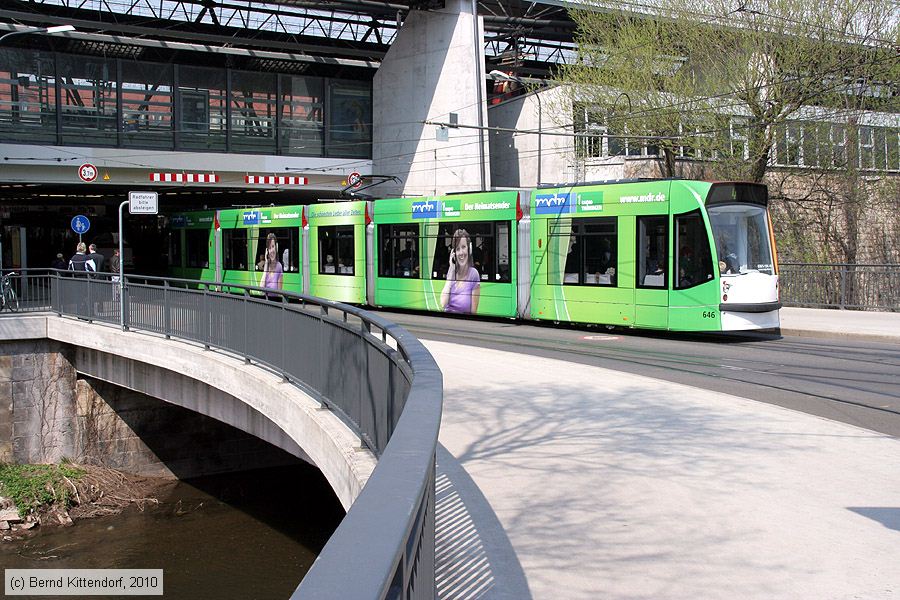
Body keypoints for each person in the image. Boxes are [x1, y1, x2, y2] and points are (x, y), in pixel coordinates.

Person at [440, 228, 480, 314]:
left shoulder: (473, 274)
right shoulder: (451, 273)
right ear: (453, 253)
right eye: (457, 249)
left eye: (463, 247)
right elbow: (443, 304)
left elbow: (474, 313)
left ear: (469, 249)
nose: (461, 253)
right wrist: (451, 269)